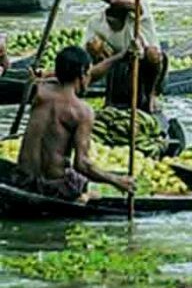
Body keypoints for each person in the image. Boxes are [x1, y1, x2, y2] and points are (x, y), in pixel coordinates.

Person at [13, 46, 135, 202]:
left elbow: (90, 74)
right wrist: (116, 180)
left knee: (79, 181)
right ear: (82, 75)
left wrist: (120, 56)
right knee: (87, 189)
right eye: (87, 73)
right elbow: (82, 164)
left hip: (22, 180)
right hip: (53, 187)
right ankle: (82, 197)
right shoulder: (82, 111)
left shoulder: (39, 90)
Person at [68, 0, 164, 113]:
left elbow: (114, 0)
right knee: (93, 45)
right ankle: (111, 96)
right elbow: (87, 63)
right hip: (117, 63)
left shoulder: (139, 5)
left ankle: (151, 95)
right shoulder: (96, 22)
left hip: (144, 62)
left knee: (152, 53)